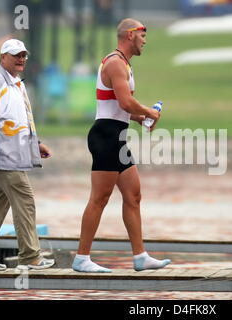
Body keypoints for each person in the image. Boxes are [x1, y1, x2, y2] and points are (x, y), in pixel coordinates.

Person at [73, 18, 171, 273]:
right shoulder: (116, 63)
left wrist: (141, 119)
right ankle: (81, 258)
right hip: (105, 136)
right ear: (130, 35)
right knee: (100, 198)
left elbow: (120, 106)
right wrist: (147, 110)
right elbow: (126, 102)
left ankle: (140, 257)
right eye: (143, 35)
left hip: (117, 136)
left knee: (134, 195)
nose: (145, 41)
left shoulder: (125, 65)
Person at [0, 39, 55, 270]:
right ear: (2, 57)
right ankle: (30, 257)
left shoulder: (17, 82)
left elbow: (19, 119)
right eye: (16, 55)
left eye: (23, 55)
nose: (21, 59)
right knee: (25, 200)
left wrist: (35, 143)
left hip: (13, 155)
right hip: (2, 157)